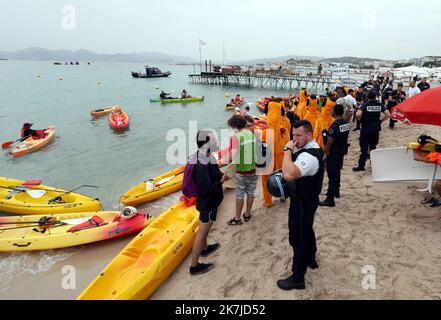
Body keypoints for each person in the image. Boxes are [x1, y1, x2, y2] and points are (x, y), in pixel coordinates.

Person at [278, 120, 324, 290]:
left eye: (298, 135)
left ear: (309, 135)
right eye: (293, 135)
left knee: (298, 238)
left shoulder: (309, 156)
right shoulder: (312, 147)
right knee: (307, 228)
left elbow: (289, 174)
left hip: (303, 203)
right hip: (308, 200)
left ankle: (298, 278)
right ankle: (311, 259)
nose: (294, 139)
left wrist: (287, 149)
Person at [190, 130, 229, 275]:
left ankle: (205, 249)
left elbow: (215, 173)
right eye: (213, 140)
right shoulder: (201, 164)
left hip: (212, 202)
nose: (216, 143)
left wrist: (223, 175)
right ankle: (194, 266)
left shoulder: (208, 156)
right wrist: (221, 180)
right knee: (202, 232)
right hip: (207, 203)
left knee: (206, 229)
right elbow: (206, 189)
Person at [226, 116, 258, 226]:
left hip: (241, 171)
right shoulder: (252, 134)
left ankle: (237, 218)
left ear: (235, 126)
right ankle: (248, 214)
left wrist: (218, 162)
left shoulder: (237, 137)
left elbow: (232, 157)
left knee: (239, 195)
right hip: (254, 169)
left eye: (231, 127)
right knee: (250, 192)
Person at [319, 104, 350, 207]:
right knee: (337, 172)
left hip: (334, 152)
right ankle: (336, 191)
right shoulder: (346, 123)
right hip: (342, 151)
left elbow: (329, 141)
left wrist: (325, 153)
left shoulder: (334, 126)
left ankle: (330, 199)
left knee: (332, 175)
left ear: (335, 112)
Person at [353, 90, 390, 172]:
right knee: (373, 147)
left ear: (368, 96)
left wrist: (360, 120)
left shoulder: (365, 104)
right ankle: (374, 165)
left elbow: (358, 114)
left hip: (366, 128)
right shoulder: (379, 104)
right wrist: (380, 121)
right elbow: (388, 114)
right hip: (375, 128)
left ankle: (361, 166)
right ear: (375, 96)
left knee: (364, 148)